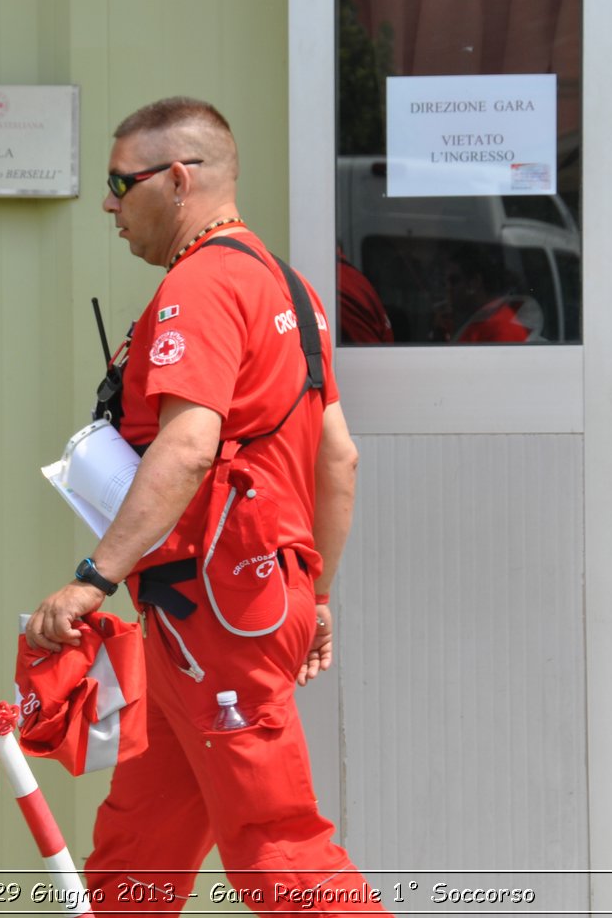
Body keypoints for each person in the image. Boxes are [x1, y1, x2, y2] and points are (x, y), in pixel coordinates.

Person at [25, 98, 387, 916]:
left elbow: (187, 446)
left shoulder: (202, 283)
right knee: (141, 839)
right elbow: (339, 457)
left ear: (179, 179)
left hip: (218, 609)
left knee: (278, 850)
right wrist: (316, 592)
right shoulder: (288, 284)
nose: (110, 205)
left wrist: (95, 577)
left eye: (121, 182)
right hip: (224, 606)